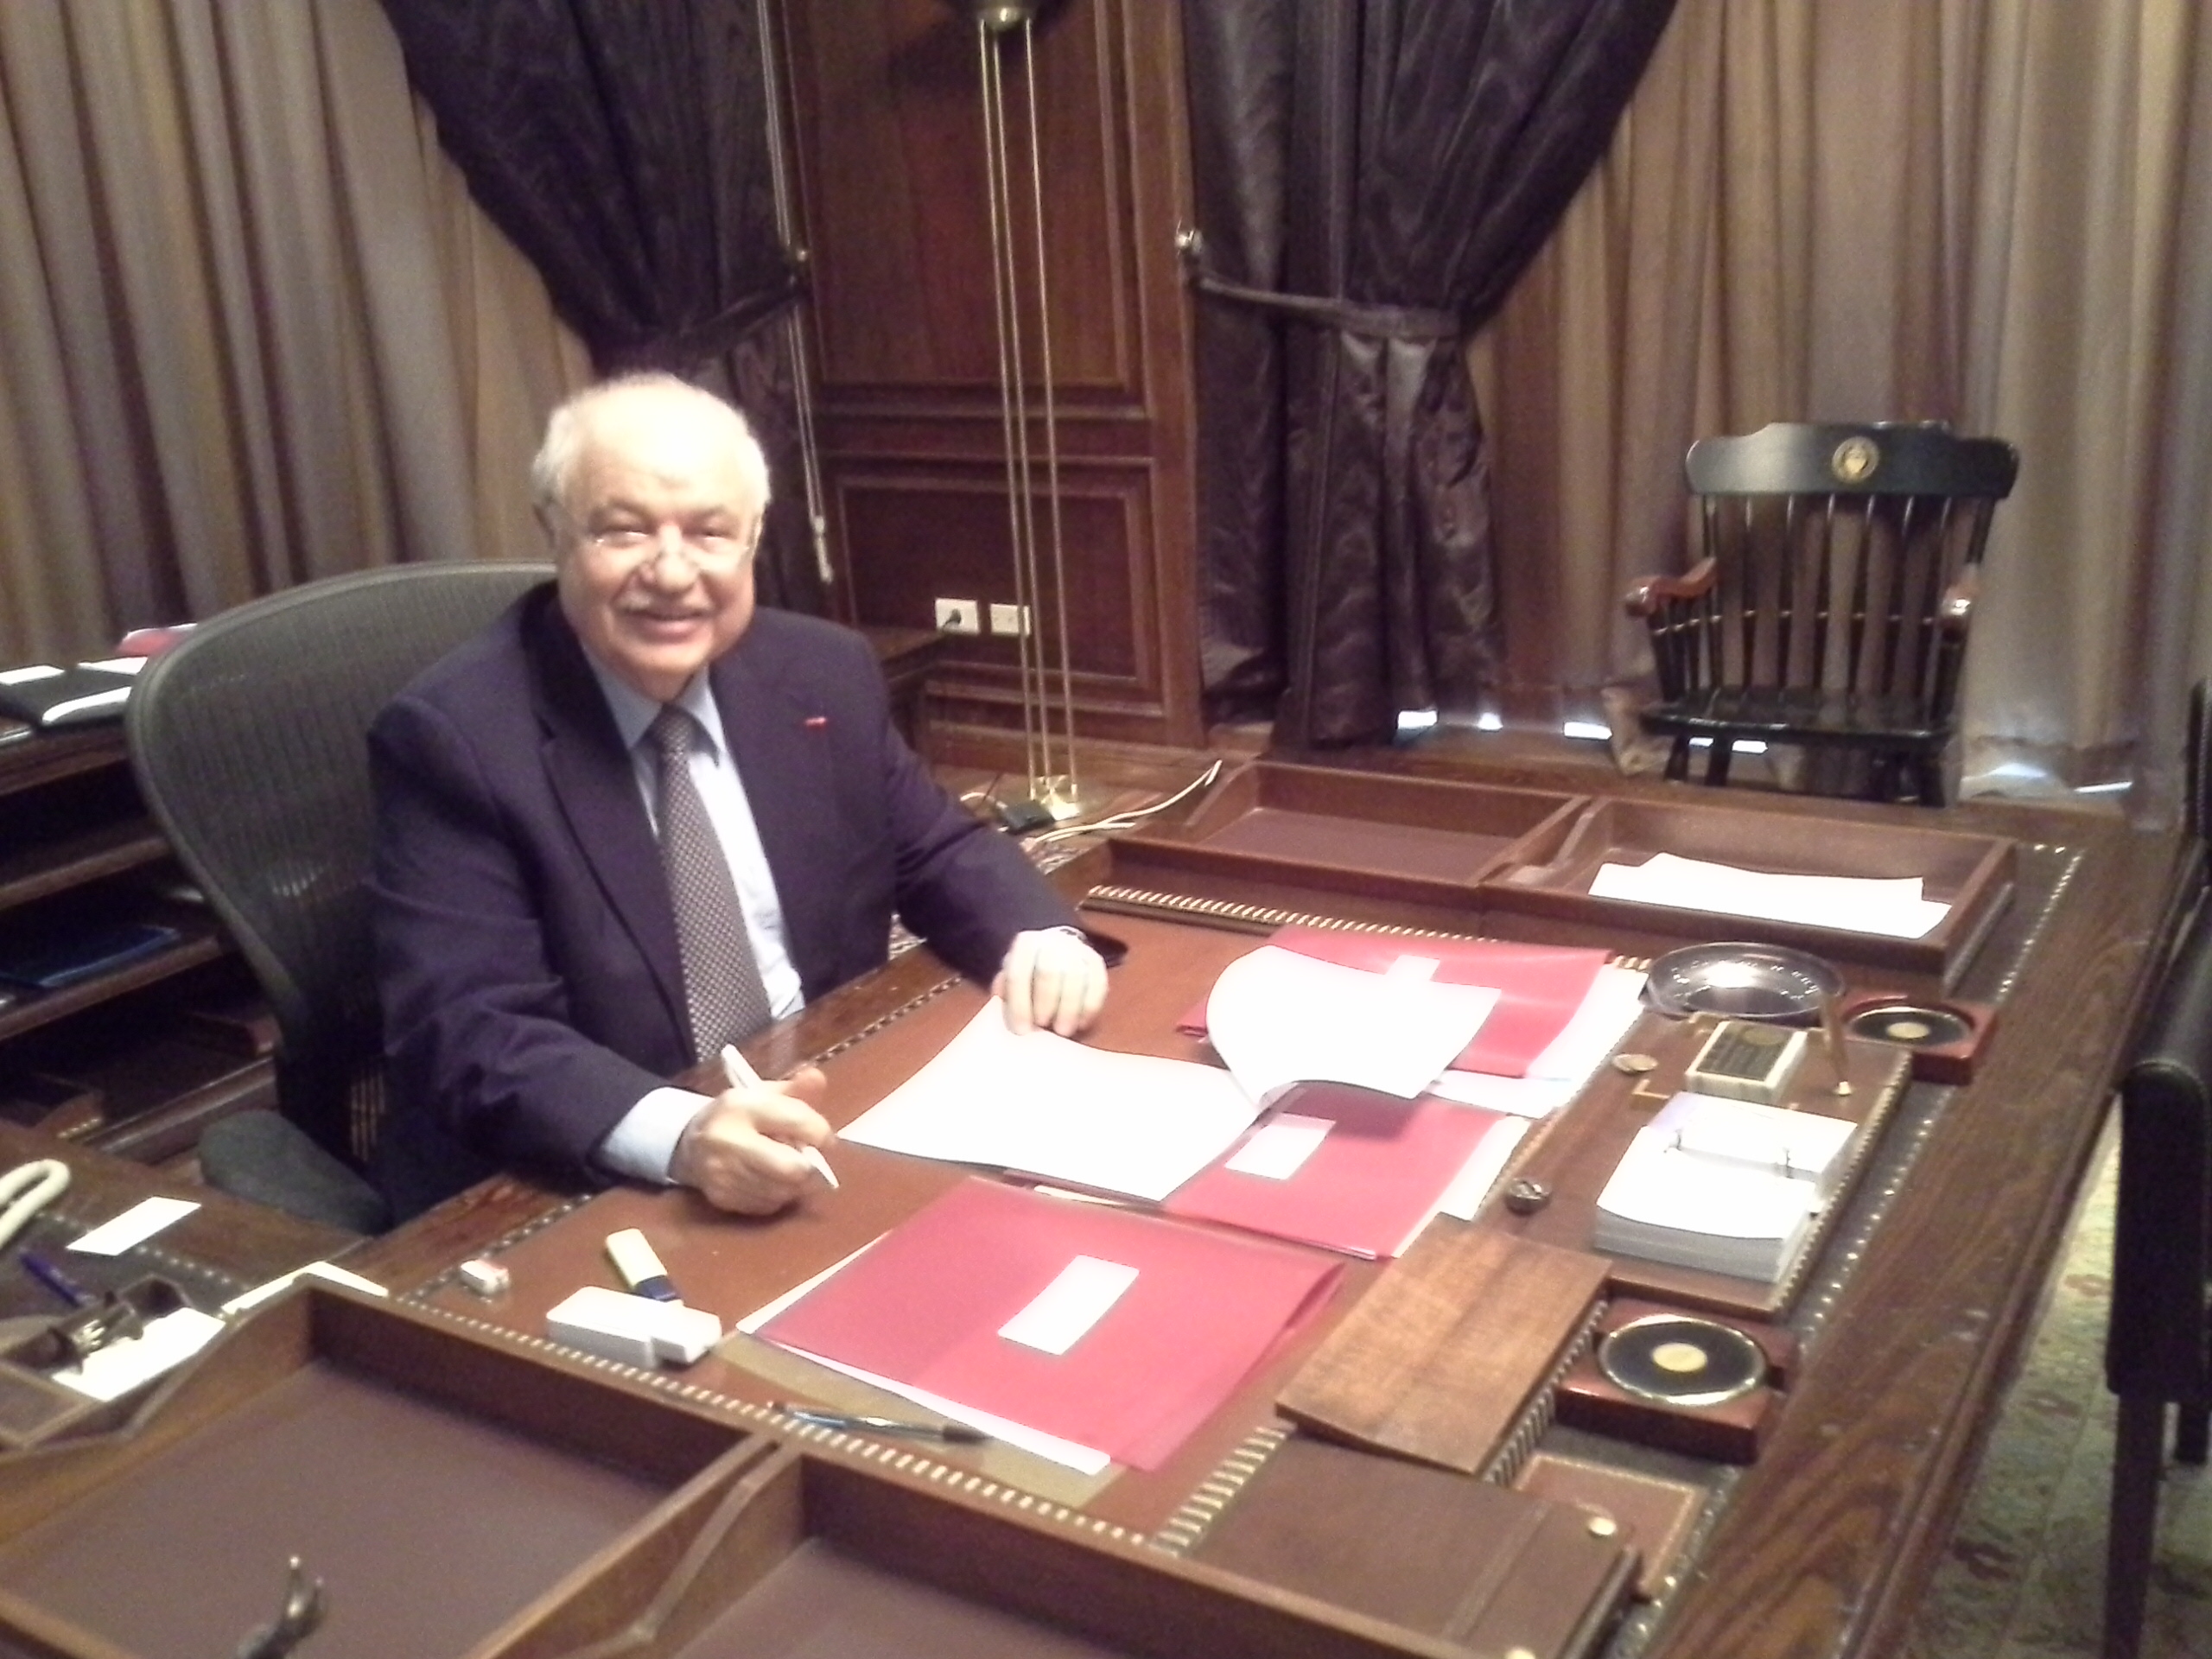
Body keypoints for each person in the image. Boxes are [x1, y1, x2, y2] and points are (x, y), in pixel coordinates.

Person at [369, 372, 1107, 1220]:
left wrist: (1041, 935)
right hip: (580, 1175)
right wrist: (680, 1134)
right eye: (623, 530)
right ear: (557, 535)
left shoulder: (824, 671)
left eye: (710, 532)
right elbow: (473, 1029)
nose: (671, 571)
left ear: (752, 538)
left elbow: (936, 851)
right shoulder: (455, 738)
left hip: (822, 1102)